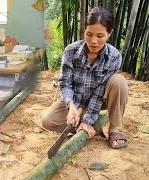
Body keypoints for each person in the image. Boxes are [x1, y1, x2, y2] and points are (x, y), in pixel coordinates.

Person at [41, 7, 128, 149]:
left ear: (109, 34)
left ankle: (113, 129)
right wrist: (73, 106)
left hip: (101, 100)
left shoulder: (114, 56)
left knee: (119, 82)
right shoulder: (71, 50)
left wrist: (87, 120)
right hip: (76, 98)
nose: (93, 41)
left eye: (100, 36)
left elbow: (100, 91)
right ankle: (83, 124)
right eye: (89, 34)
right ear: (84, 31)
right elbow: (65, 83)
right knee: (47, 121)